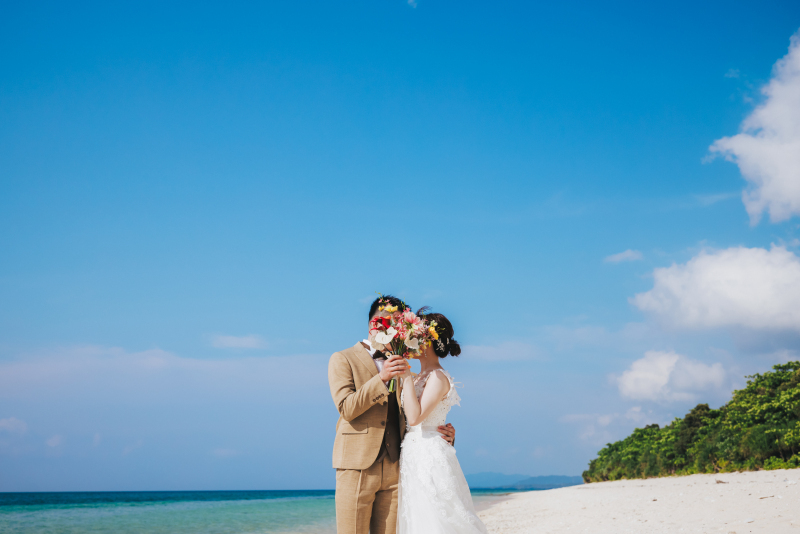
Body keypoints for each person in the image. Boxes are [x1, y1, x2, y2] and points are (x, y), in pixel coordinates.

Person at [328, 296, 456, 534]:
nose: (397, 331)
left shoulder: (402, 364)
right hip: (357, 466)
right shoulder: (342, 358)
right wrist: (382, 378)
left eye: (400, 325)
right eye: (391, 324)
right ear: (374, 325)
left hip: (398, 468)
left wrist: (440, 434)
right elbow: (346, 407)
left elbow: (415, 413)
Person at [397, 310, 488, 534]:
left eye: (415, 335)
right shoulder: (419, 377)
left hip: (429, 453)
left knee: (435, 518)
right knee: (417, 516)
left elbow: (416, 417)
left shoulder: (437, 377)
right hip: (413, 452)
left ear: (427, 340)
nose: (410, 341)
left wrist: (405, 375)